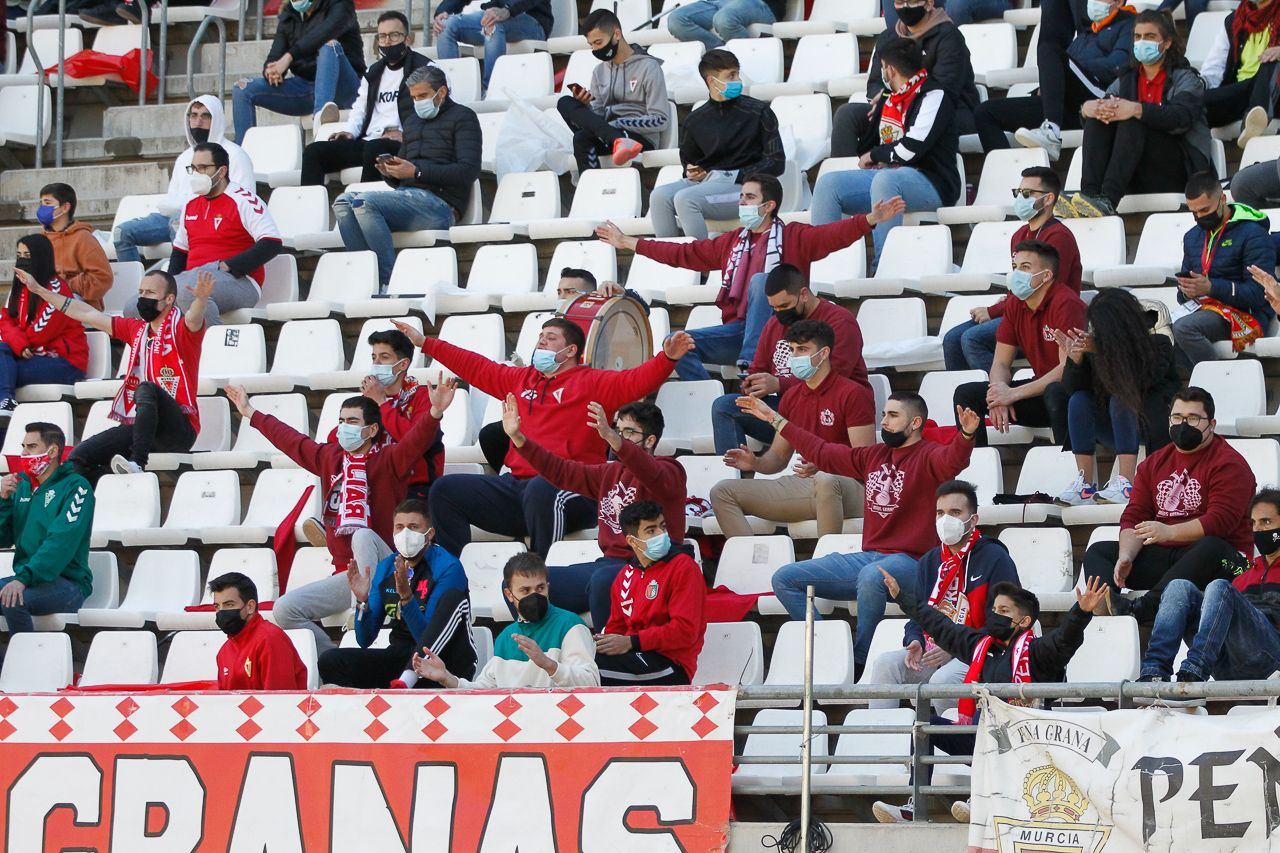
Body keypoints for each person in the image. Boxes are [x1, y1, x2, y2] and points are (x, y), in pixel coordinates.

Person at [395, 319, 695, 559]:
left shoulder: (593, 382)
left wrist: (667, 357)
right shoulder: (520, 379)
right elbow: (476, 366)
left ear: (571, 350)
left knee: (542, 488)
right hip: (517, 488)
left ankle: (539, 575)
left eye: (551, 337)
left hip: (574, 489)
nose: (541, 341)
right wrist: (426, 344)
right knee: (446, 490)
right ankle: (453, 576)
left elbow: (638, 379)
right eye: (540, 335)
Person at [743, 391, 980, 671]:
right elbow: (821, 450)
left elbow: (953, 460)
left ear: (915, 423)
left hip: (915, 562)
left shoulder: (929, 455)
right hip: (870, 557)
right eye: (884, 415)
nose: (885, 422)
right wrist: (775, 419)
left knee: (871, 576)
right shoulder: (873, 455)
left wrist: (965, 435)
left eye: (893, 416)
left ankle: (859, 660)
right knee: (785, 578)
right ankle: (829, 650)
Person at [598, 175, 903, 380]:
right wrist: (629, 243)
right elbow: (684, 254)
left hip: (783, 335)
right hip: (737, 331)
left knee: (761, 281)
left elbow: (834, 234)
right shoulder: (731, 241)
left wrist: (871, 219)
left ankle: (749, 369)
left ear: (768, 206)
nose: (741, 203)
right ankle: (709, 399)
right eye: (741, 197)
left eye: (748, 197)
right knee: (675, 344)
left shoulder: (796, 236)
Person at [225, 381, 452, 652]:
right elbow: (290, 440)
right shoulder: (328, 457)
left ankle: (365, 607)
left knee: (363, 535)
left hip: (388, 567)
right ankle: (332, 660)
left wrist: (435, 411)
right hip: (347, 574)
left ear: (371, 430)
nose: (344, 427)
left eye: (352, 421)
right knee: (285, 610)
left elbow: (417, 440)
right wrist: (249, 411)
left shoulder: (389, 459)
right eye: (341, 420)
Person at [871, 572, 1108, 824]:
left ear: (1024, 621)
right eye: (994, 608)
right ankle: (914, 807)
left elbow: (1064, 640)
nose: (995, 615)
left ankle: (985, 800)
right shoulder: (980, 646)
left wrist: (1080, 613)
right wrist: (901, 597)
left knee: (997, 729)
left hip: (1026, 743)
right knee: (925, 726)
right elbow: (940, 625)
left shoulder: (1039, 652)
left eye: (1004, 610)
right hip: (982, 736)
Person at [504, 396, 686, 631]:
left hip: (653, 567)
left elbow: (650, 472)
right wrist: (519, 438)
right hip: (608, 565)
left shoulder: (671, 470)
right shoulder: (608, 473)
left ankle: (610, 662)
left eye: (628, 432)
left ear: (650, 440)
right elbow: (560, 470)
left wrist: (612, 437)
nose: (619, 437)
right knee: (521, 583)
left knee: (603, 582)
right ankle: (547, 649)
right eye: (617, 430)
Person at [1081, 386, 1255, 623]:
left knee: (1211, 546)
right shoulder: (1154, 463)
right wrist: (1127, 556)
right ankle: (1105, 605)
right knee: (1099, 551)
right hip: (1172, 560)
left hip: (1229, 563)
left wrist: (1169, 531)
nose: (1183, 424)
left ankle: (1144, 607)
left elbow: (1220, 522)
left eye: (1193, 418)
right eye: (1177, 417)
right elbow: (1135, 515)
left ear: (1211, 424)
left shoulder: (1229, 464)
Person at [24, 270, 210, 483]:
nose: (142, 298)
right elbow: (86, 313)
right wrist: (40, 290)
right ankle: (117, 487)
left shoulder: (181, 329)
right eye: (140, 292)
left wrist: (201, 300)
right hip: (143, 428)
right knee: (78, 459)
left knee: (146, 388)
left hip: (178, 432)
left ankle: (138, 463)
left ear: (169, 299)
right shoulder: (136, 329)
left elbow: (194, 320)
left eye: (149, 292)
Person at [866, 480, 1019, 714]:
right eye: (940, 513)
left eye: (955, 512)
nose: (946, 520)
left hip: (980, 650)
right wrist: (914, 640)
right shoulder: (930, 560)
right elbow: (918, 615)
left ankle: (952, 745)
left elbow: (1006, 622)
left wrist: (956, 646)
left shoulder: (995, 558)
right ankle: (883, 743)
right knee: (885, 665)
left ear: (973, 520)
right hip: (934, 648)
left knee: (942, 682)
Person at [712, 319, 875, 538]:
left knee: (826, 479)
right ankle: (752, 563)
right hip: (804, 485)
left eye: (803, 349)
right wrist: (756, 463)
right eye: (792, 350)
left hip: (851, 488)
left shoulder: (852, 393)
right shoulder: (791, 397)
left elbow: (865, 462)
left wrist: (824, 463)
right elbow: (778, 457)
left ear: (824, 353)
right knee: (722, 492)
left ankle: (822, 567)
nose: (795, 357)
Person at [811, 38, 962, 269]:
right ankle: (823, 267)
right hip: (888, 177)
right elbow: (872, 145)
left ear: (889, 69)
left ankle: (883, 268)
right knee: (828, 185)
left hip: (932, 181)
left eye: (882, 67)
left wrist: (875, 155)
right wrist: (871, 145)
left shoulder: (934, 95)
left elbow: (910, 149)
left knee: (886, 179)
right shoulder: (888, 98)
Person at [333, 65, 481, 291]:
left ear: (441, 93)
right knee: (342, 203)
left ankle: (388, 282)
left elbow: (468, 171)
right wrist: (390, 172)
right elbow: (405, 171)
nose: (417, 102)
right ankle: (367, 279)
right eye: (413, 97)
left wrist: (417, 172)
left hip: (441, 204)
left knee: (364, 202)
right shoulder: (412, 122)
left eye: (422, 95)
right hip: (408, 197)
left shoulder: (464, 118)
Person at [1059, 11, 1212, 218]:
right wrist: (1086, 110)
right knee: (1098, 120)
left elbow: (1181, 118)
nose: (1142, 42)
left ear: (1166, 43)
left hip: (1178, 170)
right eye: (1137, 37)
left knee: (1133, 120)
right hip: (1132, 171)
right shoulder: (1126, 79)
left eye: (1149, 37)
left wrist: (1137, 109)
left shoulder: (1185, 78)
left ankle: (1108, 200)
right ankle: (1090, 195)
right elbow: (1105, 112)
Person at [713, 263, 871, 454]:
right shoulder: (774, 323)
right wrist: (752, 384)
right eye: (774, 307)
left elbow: (833, 378)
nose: (779, 312)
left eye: (784, 305)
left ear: (804, 294)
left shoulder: (840, 321)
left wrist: (779, 384)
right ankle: (732, 475)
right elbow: (759, 367)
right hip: (790, 409)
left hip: (834, 410)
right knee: (724, 407)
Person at [318, 499, 476, 688]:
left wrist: (407, 598)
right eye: (399, 527)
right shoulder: (387, 567)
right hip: (400, 656)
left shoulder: (448, 567)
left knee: (447, 607)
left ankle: (406, 682)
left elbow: (427, 637)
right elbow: (364, 639)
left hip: (443, 661)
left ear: (430, 534)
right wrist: (363, 602)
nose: (405, 534)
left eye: (413, 527)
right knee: (331, 661)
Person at [943, 168, 1083, 372]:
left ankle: (992, 396)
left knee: (972, 339)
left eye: (1027, 194)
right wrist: (1007, 302)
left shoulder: (1059, 236)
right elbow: (1021, 285)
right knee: (951, 339)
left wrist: (993, 311)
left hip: (1046, 317)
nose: (1020, 199)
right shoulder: (1019, 235)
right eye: (1017, 193)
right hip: (1020, 311)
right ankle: (965, 399)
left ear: (1048, 199)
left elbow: (1044, 290)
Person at [1138, 488, 1280, 685]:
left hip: (1272, 660)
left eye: (1266, 522)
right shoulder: (1245, 574)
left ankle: (1195, 670)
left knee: (1220, 587)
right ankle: (1154, 673)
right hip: (1227, 662)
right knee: (1179, 587)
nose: (1258, 530)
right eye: (1254, 523)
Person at [1055, 288, 1180, 506]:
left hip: (1152, 424)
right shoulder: (1096, 345)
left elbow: (1139, 380)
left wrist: (1101, 351)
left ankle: (1126, 482)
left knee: (1121, 398)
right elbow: (1072, 389)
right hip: (1114, 426)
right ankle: (1084, 484)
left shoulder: (1158, 339)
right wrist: (1075, 361)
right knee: (1080, 400)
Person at [952, 241, 1084, 446]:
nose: (1016, 274)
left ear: (1046, 275)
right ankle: (975, 470)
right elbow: (1001, 363)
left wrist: (1012, 394)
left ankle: (1068, 468)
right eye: (1015, 267)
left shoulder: (1066, 304)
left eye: (1025, 267)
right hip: (1039, 392)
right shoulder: (1015, 304)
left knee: (1054, 393)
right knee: (966, 394)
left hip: (1074, 395)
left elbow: (1066, 371)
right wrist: (998, 393)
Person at [647, 49, 784, 240]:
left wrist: (733, 175)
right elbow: (689, 166)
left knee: (686, 199)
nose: (738, 80)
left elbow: (777, 161)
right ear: (712, 81)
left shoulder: (759, 111)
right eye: (731, 75)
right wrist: (693, 171)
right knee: (659, 196)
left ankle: (701, 265)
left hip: (746, 188)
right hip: (709, 185)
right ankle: (670, 263)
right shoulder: (695, 119)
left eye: (737, 73)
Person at [413, 552, 600, 688]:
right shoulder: (506, 636)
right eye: (525, 591)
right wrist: (447, 678)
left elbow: (591, 683)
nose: (535, 595)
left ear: (548, 587)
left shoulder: (570, 626)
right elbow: (485, 691)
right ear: (509, 595)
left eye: (540, 588)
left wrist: (549, 665)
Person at [980, 0, 1136, 159]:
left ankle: (1052, 131)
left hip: (1097, 95)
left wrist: (1066, 72)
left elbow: (1115, 67)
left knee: (1049, 48)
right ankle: (1009, 175)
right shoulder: (1085, 34)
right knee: (985, 113)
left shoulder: (1130, 25)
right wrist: (1051, 84)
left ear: (1118, 2)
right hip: (1065, 107)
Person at [113, 97, 255, 265]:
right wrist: (182, 206)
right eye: (193, 116)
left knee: (178, 225)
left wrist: (185, 206)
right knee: (121, 233)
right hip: (176, 216)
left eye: (205, 116)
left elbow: (245, 201)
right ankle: (141, 287)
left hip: (212, 218)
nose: (198, 122)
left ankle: (182, 285)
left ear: (216, 119)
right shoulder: (184, 157)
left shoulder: (235, 155)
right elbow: (169, 202)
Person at [300, 12, 433, 187]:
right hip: (371, 140)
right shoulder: (373, 72)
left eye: (394, 35)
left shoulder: (427, 69)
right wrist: (350, 132)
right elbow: (359, 109)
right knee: (313, 152)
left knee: (376, 149)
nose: (387, 41)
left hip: (404, 143)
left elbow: (438, 111)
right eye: (382, 36)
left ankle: (363, 207)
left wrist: (407, 136)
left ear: (407, 39)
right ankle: (311, 210)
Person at [168, 142, 284, 326]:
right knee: (139, 304)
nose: (197, 174)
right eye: (194, 168)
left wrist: (227, 266)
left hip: (239, 280)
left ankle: (215, 350)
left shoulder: (243, 199)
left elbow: (272, 242)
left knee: (189, 292)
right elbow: (180, 251)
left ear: (221, 172)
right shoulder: (190, 204)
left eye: (203, 168)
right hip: (191, 277)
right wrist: (167, 285)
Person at [1170, 170, 1275, 371]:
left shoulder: (1253, 234)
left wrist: (1211, 288)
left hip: (1244, 314)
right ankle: (1189, 390)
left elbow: (1260, 295)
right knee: (1158, 329)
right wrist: (1187, 290)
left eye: (1204, 210)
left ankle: (1217, 380)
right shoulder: (1192, 237)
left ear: (1223, 199)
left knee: (1184, 328)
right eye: (1194, 213)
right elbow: (1182, 296)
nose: (1200, 217)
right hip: (1206, 309)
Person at [840, 0, 980, 149]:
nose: (905, 7)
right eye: (900, 2)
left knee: (915, 119)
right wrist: (885, 100)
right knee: (848, 115)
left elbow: (944, 88)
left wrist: (901, 100)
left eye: (912, 2)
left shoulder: (949, 37)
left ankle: (903, 168)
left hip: (949, 112)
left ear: (929, 3)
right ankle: (847, 172)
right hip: (896, 110)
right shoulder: (888, 38)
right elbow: (875, 83)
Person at [595, 501, 707, 686]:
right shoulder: (625, 576)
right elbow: (616, 628)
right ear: (632, 541)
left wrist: (632, 642)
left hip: (671, 665)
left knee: (589, 671)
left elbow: (685, 631)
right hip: (634, 656)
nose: (661, 535)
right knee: (578, 661)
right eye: (651, 530)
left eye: (662, 527)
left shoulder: (684, 567)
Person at [0, 422, 94, 634]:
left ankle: (28, 663)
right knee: (13, 595)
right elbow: (3, 539)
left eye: (31, 447)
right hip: (29, 578)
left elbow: (60, 543)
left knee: (13, 600)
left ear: (52, 451)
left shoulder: (76, 487)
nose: (24, 453)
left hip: (68, 583)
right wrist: (3, 501)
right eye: (23, 446)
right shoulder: (20, 484)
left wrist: (22, 579)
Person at [231, 0, 365, 144]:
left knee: (329, 46)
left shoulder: (340, 4)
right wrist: (272, 71)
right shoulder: (289, 14)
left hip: (344, 87)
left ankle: (320, 121)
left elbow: (323, 34)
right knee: (242, 88)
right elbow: (275, 55)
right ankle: (242, 154)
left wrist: (289, 57)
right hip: (306, 87)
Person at [557, 9, 670, 172]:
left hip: (638, 138)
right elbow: (598, 117)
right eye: (591, 45)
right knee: (565, 102)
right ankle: (591, 188)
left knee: (582, 138)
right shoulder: (599, 71)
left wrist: (617, 124)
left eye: (598, 43)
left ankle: (617, 139)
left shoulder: (649, 67)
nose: (595, 50)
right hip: (608, 132)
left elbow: (660, 119)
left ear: (617, 34)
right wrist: (586, 106)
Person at [2, 235, 89, 413]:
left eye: (27, 255)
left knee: (4, 371)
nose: (22, 260)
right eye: (19, 255)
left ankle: (5, 405)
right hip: (28, 354)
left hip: (65, 363)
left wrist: (17, 343)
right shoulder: (19, 287)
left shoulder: (57, 289)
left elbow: (40, 333)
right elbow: (4, 319)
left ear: (40, 256)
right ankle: (5, 404)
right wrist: (18, 344)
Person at [1200, 0, 1280, 148]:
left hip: (1274, 96)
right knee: (1194, 102)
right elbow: (1214, 67)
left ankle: (1256, 117)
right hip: (1240, 91)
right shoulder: (1235, 19)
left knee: (1271, 60)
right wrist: (1198, 85)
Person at [211, 572, 309, 691]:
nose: (221, 612)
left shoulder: (270, 639)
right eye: (217, 606)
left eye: (229, 604)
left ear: (250, 606)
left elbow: (281, 701)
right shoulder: (224, 652)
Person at [433, 0, 553, 90]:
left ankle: (489, 90)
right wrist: (442, 12)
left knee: (493, 24)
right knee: (445, 26)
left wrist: (508, 9)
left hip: (533, 22)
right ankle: (451, 92)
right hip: (496, 15)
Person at [35, 183, 111, 311]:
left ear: (65, 207)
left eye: (47, 203)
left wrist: (64, 285)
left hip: (77, 301)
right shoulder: (40, 239)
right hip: (44, 295)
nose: (42, 208)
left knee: (56, 302)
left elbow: (102, 278)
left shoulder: (83, 238)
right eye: (41, 203)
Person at [667, 0, 785, 50]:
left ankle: (743, 63)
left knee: (724, 19)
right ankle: (722, 58)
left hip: (760, 3)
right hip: (717, 2)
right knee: (676, 20)